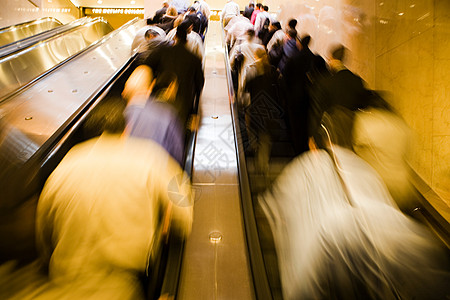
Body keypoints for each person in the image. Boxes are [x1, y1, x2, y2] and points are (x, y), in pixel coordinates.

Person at [259, 108, 450, 300]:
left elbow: (270, 211)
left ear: (314, 144)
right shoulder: (362, 168)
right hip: (370, 247)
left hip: (321, 257)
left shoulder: (303, 167)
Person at [35, 100, 193, 299]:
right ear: (126, 129)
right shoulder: (150, 156)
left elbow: (43, 232)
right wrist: (168, 227)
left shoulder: (65, 165)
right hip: (122, 286)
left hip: (65, 285)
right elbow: (183, 208)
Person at [142, 21, 204, 126]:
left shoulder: (162, 51)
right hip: (184, 102)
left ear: (175, 36)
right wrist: (195, 110)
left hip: (160, 96)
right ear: (186, 39)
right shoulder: (194, 59)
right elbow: (200, 84)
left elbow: (146, 65)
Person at [122, 66, 185, 165]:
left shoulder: (116, 118)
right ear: (150, 88)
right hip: (158, 174)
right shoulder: (166, 114)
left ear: (124, 92)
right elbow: (177, 154)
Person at [283, 35, 316, 155]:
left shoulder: (294, 58)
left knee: (295, 123)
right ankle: (305, 148)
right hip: (309, 96)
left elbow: (286, 77)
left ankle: (297, 149)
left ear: (299, 43)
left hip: (294, 96)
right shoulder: (313, 58)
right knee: (305, 123)